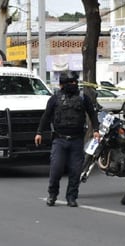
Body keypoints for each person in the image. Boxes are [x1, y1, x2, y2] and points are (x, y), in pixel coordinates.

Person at [34, 72, 100, 207]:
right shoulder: (54, 99)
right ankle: (52, 195)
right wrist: (39, 132)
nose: (73, 85)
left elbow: (92, 114)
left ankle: (71, 197)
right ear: (61, 85)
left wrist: (96, 130)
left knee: (75, 171)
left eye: (74, 82)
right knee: (56, 169)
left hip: (76, 140)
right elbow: (46, 116)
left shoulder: (83, 98)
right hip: (59, 139)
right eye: (69, 83)